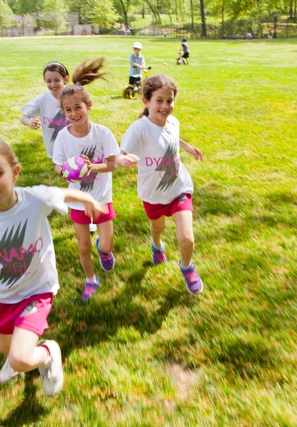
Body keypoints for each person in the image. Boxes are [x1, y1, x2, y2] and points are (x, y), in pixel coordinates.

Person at [0, 138, 106, 397]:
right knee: (4, 348)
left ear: (15, 172)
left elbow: (61, 193)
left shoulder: (34, 199)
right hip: (2, 293)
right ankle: (16, 358)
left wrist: (87, 198)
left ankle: (47, 353)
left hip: (37, 288)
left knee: (20, 358)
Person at [116, 74, 205, 294]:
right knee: (158, 229)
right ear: (146, 101)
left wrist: (186, 146)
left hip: (179, 188)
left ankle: (187, 267)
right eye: (159, 101)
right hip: (153, 194)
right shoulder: (139, 129)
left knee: (186, 238)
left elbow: (171, 136)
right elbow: (120, 153)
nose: (165, 106)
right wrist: (121, 160)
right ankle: (156, 245)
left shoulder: (173, 122)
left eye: (169, 101)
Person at [52, 58, 120, 301]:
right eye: (68, 110)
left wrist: (92, 167)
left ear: (89, 105)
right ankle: (91, 279)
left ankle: (104, 251)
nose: (74, 113)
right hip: (78, 201)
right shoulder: (63, 137)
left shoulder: (103, 134)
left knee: (106, 244)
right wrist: (68, 171)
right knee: (83, 246)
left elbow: (112, 164)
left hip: (101, 198)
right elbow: (57, 167)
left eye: (78, 107)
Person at [20, 61, 71, 161]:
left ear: (65, 79)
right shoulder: (42, 99)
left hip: (74, 145)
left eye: (57, 80)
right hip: (54, 148)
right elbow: (23, 118)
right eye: (48, 81)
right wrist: (30, 123)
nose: (53, 84)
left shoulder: (72, 96)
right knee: (60, 168)